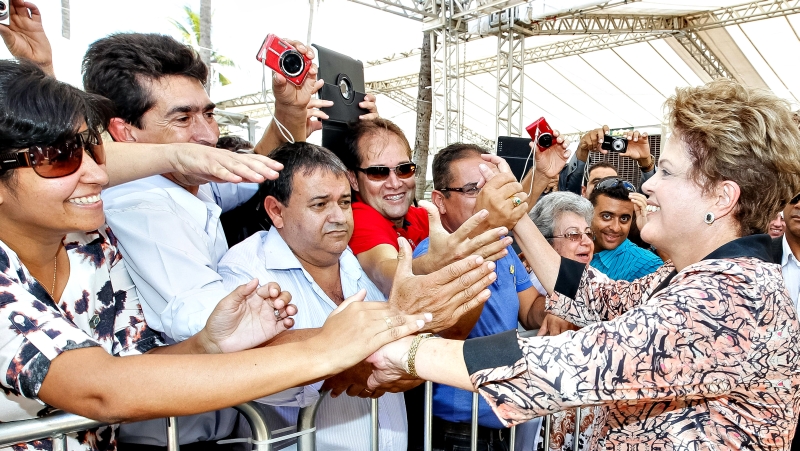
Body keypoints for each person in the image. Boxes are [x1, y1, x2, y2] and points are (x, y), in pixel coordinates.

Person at [0, 58, 440, 451]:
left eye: (94, 150)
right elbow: (102, 389)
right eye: (59, 158)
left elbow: (134, 367)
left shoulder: (94, 248)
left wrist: (206, 344)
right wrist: (326, 350)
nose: (98, 173)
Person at [367, 79, 800, 451]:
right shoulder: (704, 280)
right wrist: (518, 216)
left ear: (721, 198)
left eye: (666, 171)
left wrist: (404, 349)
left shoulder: (729, 301)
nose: (649, 184)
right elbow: (592, 294)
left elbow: (565, 362)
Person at [218, 142, 498, 450]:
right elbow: (242, 367)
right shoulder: (246, 272)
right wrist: (351, 358)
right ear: (276, 210)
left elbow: (429, 335)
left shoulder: (355, 261)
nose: (338, 216)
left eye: (345, 201)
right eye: (320, 205)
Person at [419, 143, 549, 451]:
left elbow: (531, 310)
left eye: (488, 187)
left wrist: (558, 308)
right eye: (471, 189)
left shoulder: (502, 246)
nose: (487, 199)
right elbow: (453, 329)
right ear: (440, 201)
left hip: (501, 426)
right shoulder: (431, 254)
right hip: (458, 433)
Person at [340, 118, 526, 297]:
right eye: (378, 172)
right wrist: (434, 263)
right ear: (354, 180)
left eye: (403, 169)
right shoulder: (361, 218)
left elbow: (493, 214)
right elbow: (386, 273)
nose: (395, 183)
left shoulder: (420, 215)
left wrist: (540, 176)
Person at [588, 177, 662, 281]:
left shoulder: (647, 264)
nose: (615, 228)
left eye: (624, 219)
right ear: (589, 214)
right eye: (607, 216)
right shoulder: (569, 247)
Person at [558, 125, 655, 197]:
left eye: (612, 182)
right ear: (583, 191)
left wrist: (645, 161)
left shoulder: (630, 220)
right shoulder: (574, 217)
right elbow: (569, 193)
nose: (604, 186)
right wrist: (582, 150)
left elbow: (647, 196)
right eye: (596, 181)